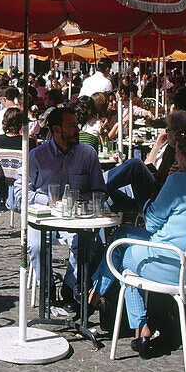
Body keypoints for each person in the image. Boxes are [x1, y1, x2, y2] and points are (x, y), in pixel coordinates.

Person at [91, 128, 186, 357]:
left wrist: (166, 184)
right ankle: (98, 295)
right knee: (122, 235)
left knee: (123, 256)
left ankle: (135, 323)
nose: (175, 159)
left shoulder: (178, 181)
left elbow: (150, 223)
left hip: (164, 262)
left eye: (177, 154)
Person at [25, 106, 108, 304]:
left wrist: (84, 202)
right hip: (44, 216)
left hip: (76, 218)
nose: (77, 130)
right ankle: (47, 289)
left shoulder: (87, 154)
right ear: (56, 130)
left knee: (87, 243)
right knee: (36, 246)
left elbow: (100, 191)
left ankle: (70, 286)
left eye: (77, 125)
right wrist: (47, 201)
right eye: (72, 126)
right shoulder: (37, 156)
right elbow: (21, 193)